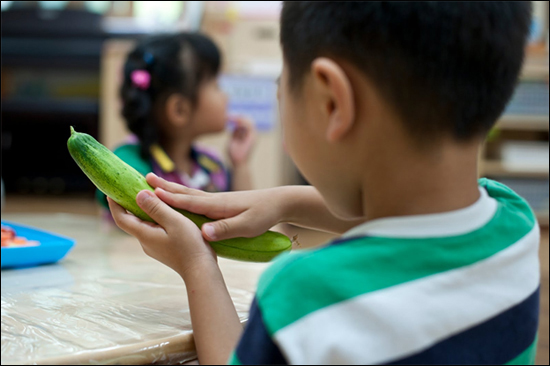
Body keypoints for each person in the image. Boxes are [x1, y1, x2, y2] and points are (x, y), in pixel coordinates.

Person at [107, 2, 540, 364]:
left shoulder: (308, 294)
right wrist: (286, 201)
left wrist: (197, 266)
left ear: (331, 101)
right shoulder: (516, 223)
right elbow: (415, 230)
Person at [97, 32, 256, 216]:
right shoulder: (128, 163)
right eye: (216, 85)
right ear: (180, 110)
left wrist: (240, 163)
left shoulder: (211, 164)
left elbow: (246, 222)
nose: (226, 96)